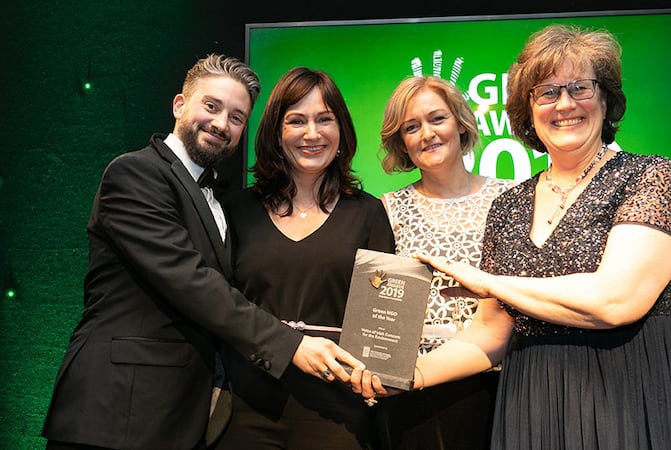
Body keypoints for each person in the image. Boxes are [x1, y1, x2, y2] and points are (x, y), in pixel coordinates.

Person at [354, 24, 671, 449]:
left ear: (605, 98)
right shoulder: (509, 205)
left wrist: (488, 282)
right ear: (528, 110)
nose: (564, 104)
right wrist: (409, 376)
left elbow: (616, 301)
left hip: (635, 388)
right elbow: (489, 333)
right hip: (536, 396)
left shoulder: (647, 175)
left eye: (579, 87)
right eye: (547, 92)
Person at [41, 55, 364, 450]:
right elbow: (191, 281)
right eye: (211, 106)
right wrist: (291, 345)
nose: (220, 123)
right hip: (116, 408)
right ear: (180, 105)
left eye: (236, 117)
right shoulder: (134, 174)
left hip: (180, 414)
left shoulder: (220, 199)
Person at [212, 67, 395, 450]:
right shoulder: (236, 210)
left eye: (324, 120)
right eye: (297, 120)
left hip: (339, 412)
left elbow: (383, 319)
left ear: (342, 130)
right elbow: (217, 306)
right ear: (276, 134)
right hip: (247, 409)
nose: (312, 134)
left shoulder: (369, 213)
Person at [374, 75, 515, 449]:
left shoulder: (511, 200)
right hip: (412, 391)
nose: (427, 134)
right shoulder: (387, 210)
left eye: (437, 119)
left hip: (495, 383)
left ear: (460, 122)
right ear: (401, 142)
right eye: (411, 127)